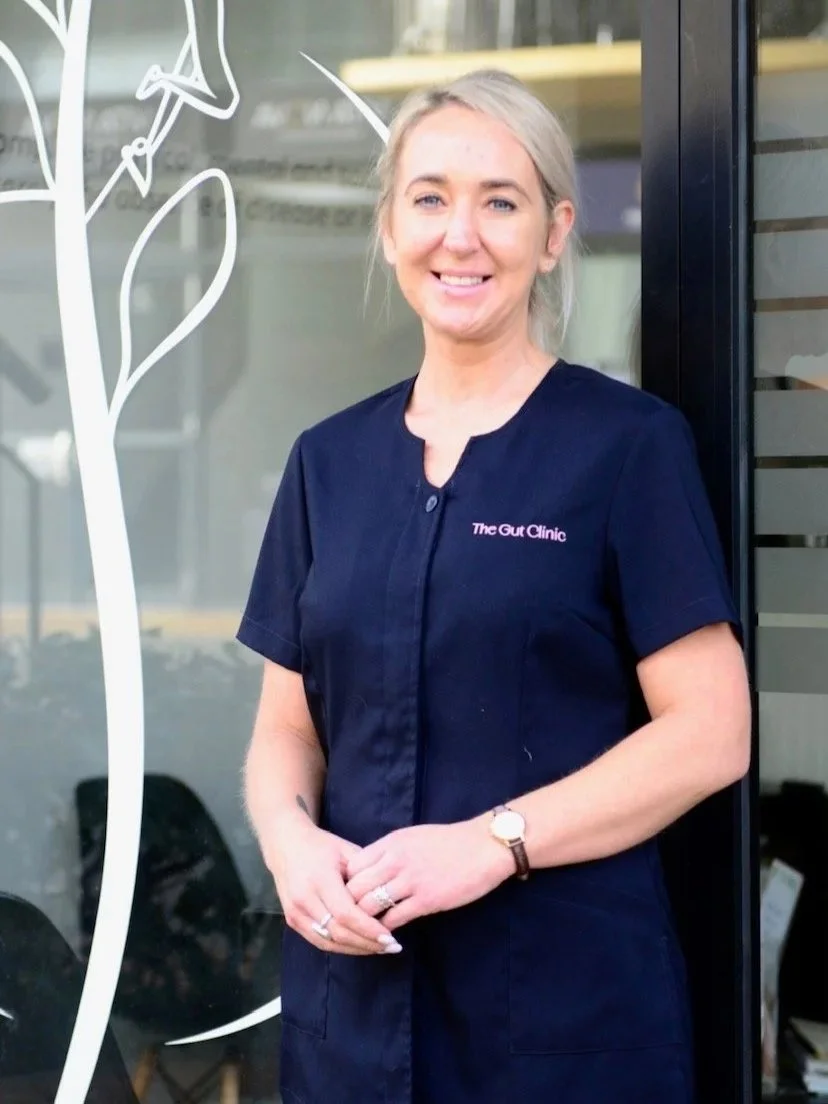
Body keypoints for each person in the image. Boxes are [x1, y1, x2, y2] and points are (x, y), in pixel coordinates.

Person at [238, 68, 751, 1104]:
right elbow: (287, 729)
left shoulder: (628, 448)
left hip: (562, 1022)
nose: (459, 235)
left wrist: (493, 845)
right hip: (355, 1023)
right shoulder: (326, 464)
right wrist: (290, 846)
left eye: (500, 201)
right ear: (390, 228)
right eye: (429, 198)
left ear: (555, 233)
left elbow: (711, 732)